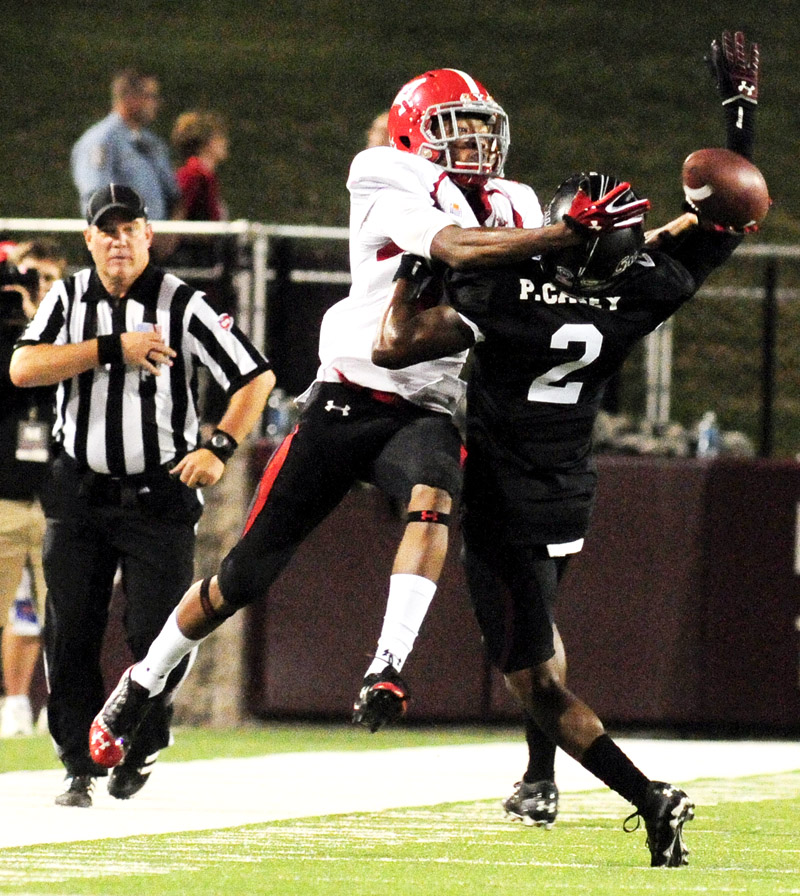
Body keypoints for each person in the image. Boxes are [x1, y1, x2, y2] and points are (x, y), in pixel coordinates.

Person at [85, 69, 643, 772]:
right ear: (413, 133)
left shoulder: (516, 201)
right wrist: (559, 235)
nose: (474, 142)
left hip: (425, 404)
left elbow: (559, 275)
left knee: (435, 497)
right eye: (456, 128)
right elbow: (452, 246)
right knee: (242, 577)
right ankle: (142, 681)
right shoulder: (383, 171)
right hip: (347, 395)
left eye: (481, 128)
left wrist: (632, 239)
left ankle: (387, 664)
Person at [369, 32, 761, 867]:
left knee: (535, 680)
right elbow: (726, 210)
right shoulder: (642, 291)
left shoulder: (507, 293)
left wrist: (417, 261)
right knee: (542, 638)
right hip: (568, 497)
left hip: (505, 499)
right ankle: (539, 778)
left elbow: (394, 344)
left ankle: (647, 798)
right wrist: (740, 119)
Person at [10, 184, 274, 807]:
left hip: (158, 493)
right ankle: (77, 765)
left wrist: (220, 448)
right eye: (108, 231)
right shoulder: (69, 297)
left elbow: (254, 377)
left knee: (157, 633)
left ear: (148, 235)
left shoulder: (182, 302)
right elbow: (23, 368)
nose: (119, 241)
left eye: (130, 229)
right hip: (80, 490)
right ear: (89, 239)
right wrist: (112, 349)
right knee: (71, 631)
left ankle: (143, 739)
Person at [0, 238, 67, 737]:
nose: (38, 287)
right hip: (4, 493)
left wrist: (38, 325)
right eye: (30, 277)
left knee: (62, 609)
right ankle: (15, 702)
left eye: (48, 279)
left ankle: (62, 703)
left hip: (55, 498)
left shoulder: (75, 332)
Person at [70, 69, 181, 224]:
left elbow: (173, 193)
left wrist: (171, 231)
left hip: (157, 234)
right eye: (151, 97)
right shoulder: (101, 141)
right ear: (130, 98)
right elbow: (97, 198)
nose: (156, 104)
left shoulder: (153, 143)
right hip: (121, 235)